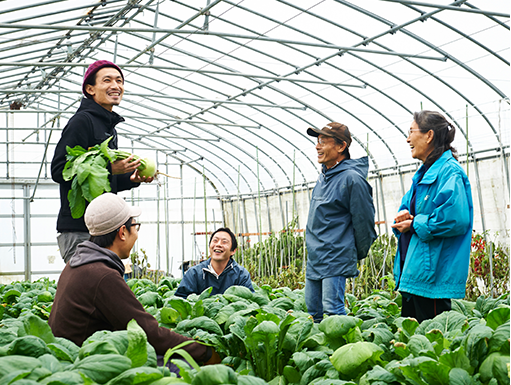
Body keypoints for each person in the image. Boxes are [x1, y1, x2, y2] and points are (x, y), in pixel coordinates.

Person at [48, 193, 220, 365]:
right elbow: (148, 333)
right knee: (181, 365)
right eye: (135, 226)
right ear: (123, 232)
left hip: (75, 357)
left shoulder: (77, 264)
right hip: (83, 365)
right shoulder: (102, 275)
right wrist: (205, 352)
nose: (136, 234)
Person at [51, 60, 153, 263]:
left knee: (98, 289)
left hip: (103, 228)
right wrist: (109, 168)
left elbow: (101, 182)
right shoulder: (82, 121)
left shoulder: (109, 127)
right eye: (107, 80)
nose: (116, 86)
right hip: (80, 229)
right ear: (90, 89)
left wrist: (130, 178)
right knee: (87, 286)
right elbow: (59, 170)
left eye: (119, 81)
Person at [391, 110, 473, 323]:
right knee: (413, 342)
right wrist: (403, 217)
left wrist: (414, 223)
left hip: (432, 275)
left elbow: (455, 219)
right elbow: (411, 211)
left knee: (434, 343)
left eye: (411, 132)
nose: (408, 139)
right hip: (415, 273)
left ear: (429, 136)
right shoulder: (424, 174)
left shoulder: (449, 173)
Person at [305, 122, 377, 322]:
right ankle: (319, 353)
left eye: (323, 142)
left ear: (341, 146)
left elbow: (364, 222)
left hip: (335, 257)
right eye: (317, 141)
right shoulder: (323, 177)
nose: (317, 146)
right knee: (312, 313)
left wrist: (354, 253)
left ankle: (342, 351)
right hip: (315, 257)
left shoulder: (352, 179)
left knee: (333, 312)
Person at [175, 227, 254, 298]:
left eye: (224, 242)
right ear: (209, 247)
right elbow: (180, 300)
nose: (218, 244)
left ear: (233, 251)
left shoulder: (241, 275)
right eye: (215, 241)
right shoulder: (194, 273)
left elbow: (249, 301)